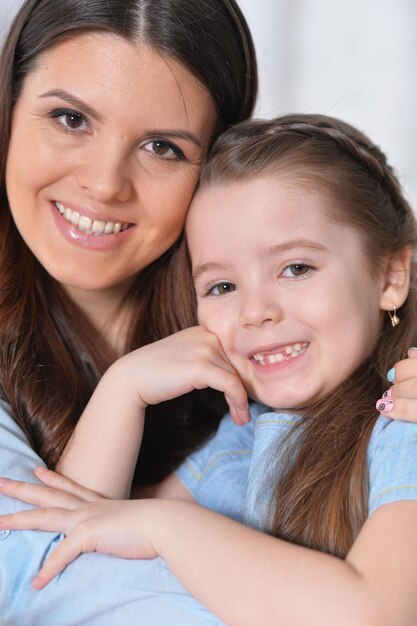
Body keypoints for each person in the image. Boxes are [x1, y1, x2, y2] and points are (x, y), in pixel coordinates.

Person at [2, 113, 417, 626]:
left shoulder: (404, 422)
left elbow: (377, 613)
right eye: (222, 286)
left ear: (390, 275)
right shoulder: (241, 438)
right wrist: (123, 388)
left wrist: (166, 527)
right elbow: (71, 562)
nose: (255, 311)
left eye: (296, 268)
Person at [0, 0, 256, 622]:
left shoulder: (270, 325)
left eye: (163, 147)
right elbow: (44, 590)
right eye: (70, 118)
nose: (106, 183)